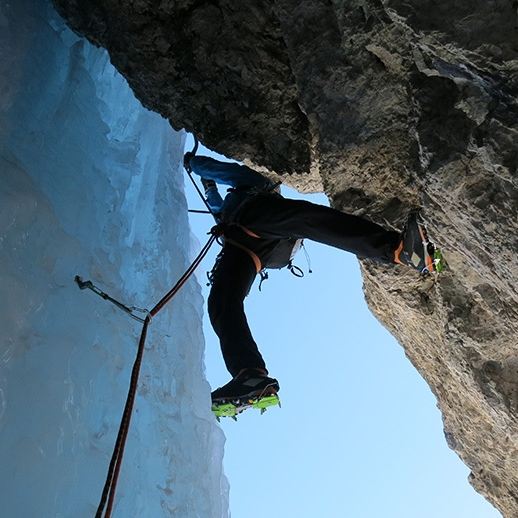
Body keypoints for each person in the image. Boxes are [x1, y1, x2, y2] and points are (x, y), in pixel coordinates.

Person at [184, 152, 440, 414]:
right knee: (221, 301)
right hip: (251, 244)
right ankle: (250, 376)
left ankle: (398, 249)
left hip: (253, 225)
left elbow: (220, 173)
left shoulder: (253, 181)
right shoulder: (237, 198)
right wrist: (203, 176)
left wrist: (193, 164)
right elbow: (216, 199)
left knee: (304, 220)